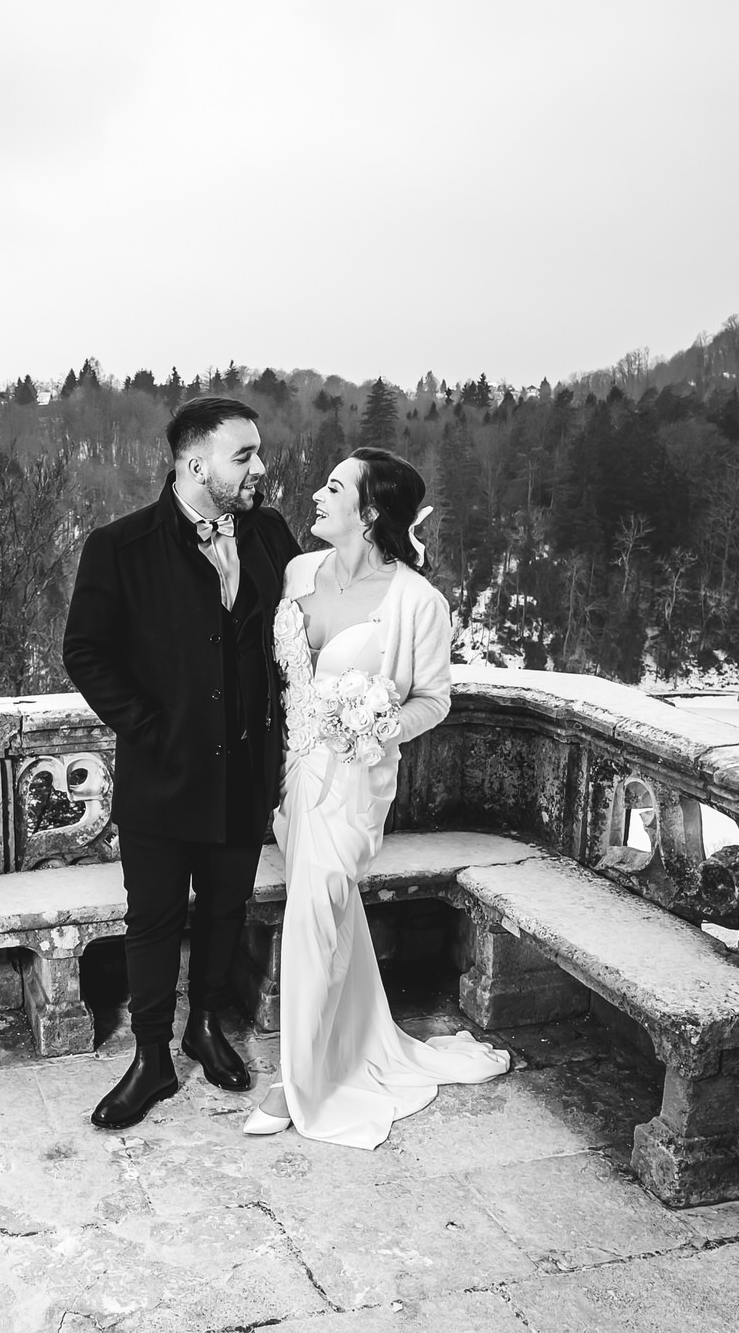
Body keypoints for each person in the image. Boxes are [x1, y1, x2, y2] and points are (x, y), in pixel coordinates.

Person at [241, 447, 510, 1145]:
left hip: (354, 781)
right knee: (330, 911)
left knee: (313, 912)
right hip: (290, 775)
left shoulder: (418, 602)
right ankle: (357, 1038)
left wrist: (376, 723)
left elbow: (435, 700)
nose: (317, 495)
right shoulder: (299, 572)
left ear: (368, 512)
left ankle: (296, 1080)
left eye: (333, 487)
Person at [62, 396, 302, 1129]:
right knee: (154, 919)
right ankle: (151, 1058)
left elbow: (309, 621)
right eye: (244, 455)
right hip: (162, 777)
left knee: (227, 909)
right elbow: (86, 653)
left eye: (257, 453)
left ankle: (205, 1027)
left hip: (245, 772)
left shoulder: (270, 533)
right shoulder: (119, 546)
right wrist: (152, 729)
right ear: (196, 465)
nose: (260, 467)